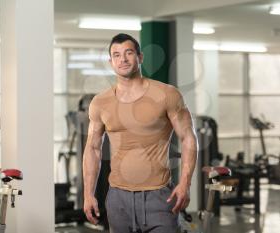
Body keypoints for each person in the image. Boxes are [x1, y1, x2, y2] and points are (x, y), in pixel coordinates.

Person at [82, 33, 198, 233]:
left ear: (140, 57)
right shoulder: (100, 103)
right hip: (117, 199)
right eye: (116, 55)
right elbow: (92, 149)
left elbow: (188, 137)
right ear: (111, 62)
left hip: (159, 197)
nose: (123, 59)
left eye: (128, 53)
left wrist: (185, 183)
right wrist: (88, 193)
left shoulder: (166, 94)